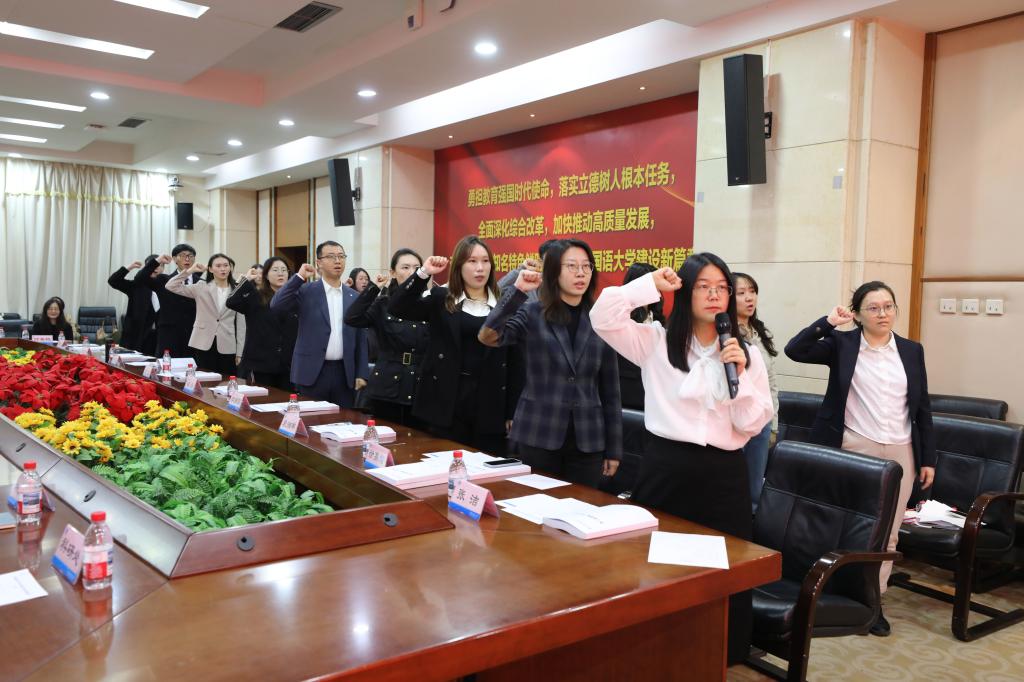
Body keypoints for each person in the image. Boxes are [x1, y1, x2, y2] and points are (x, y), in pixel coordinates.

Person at [590, 252, 773, 665]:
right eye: (704, 286)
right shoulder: (655, 341)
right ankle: (657, 649)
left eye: (722, 288)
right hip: (667, 468)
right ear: (686, 291)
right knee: (661, 563)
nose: (715, 295)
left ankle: (723, 654)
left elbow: (751, 423)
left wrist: (741, 376)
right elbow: (602, 317)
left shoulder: (745, 353)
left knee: (727, 566)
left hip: (724, 475)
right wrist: (648, 285)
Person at [785, 281, 935, 638]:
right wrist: (828, 322)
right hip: (853, 445)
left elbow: (923, 407)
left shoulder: (911, 350)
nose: (883, 314)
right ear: (857, 314)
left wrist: (927, 457)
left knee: (888, 533)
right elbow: (795, 350)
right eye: (873, 308)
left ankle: (872, 603)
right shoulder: (842, 344)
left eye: (888, 306)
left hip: (901, 449)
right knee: (843, 526)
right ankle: (829, 594)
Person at [479, 238, 622, 487]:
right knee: (535, 504)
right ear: (554, 271)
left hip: (588, 439)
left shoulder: (600, 318)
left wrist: (614, 448)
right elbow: (488, 336)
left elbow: (611, 389)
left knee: (582, 505)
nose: (581, 273)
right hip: (538, 433)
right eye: (571, 266)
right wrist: (518, 291)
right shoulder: (533, 312)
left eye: (586, 266)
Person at [388, 235, 523, 454]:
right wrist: (423, 273)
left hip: (490, 401)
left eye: (485, 261)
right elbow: (397, 307)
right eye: (472, 261)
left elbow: (516, 362)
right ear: (459, 266)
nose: (480, 268)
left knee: (486, 464)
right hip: (446, 399)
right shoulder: (441, 298)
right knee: (444, 462)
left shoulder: (504, 304)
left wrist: (512, 411)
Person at [270, 241, 369, 408]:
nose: (337, 261)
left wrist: (361, 372)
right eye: (331, 256)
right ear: (319, 263)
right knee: (311, 419)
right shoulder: (306, 291)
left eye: (341, 256)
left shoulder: (354, 296)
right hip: (312, 372)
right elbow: (276, 305)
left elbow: (360, 336)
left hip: (344, 373)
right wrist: (299, 277)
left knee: (342, 420)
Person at [344, 248, 430, 424]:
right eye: (405, 267)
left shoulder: (429, 303)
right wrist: (374, 288)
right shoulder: (383, 303)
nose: (412, 272)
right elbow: (352, 318)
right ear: (393, 272)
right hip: (387, 386)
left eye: (417, 268)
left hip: (420, 386)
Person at [733, 272, 779, 513]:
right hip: (734, 422)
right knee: (732, 482)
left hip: (761, 422)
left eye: (752, 292)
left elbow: (771, 382)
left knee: (754, 488)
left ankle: (750, 525)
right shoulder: (724, 334)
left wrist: (773, 424)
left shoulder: (760, 332)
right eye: (741, 293)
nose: (749, 298)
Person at [165, 253, 246, 376]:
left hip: (227, 342)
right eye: (218, 266)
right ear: (210, 269)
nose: (223, 269)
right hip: (203, 341)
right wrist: (190, 271)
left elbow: (241, 324)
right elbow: (170, 286)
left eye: (226, 265)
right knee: (204, 380)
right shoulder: (201, 286)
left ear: (230, 268)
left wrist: (240, 352)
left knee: (226, 379)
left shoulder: (237, 290)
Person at [226, 257, 298, 391]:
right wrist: (246, 280)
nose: (280, 273)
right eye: (275, 270)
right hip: (260, 364)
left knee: (286, 400)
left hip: (288, 364)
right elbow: (231, 302)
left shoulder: (295, 298)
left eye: (284, 270)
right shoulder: (256, 296)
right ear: (266, 275)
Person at [139, 243, 200, 357]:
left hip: (194, 334)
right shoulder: (163, 279)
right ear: (175, 259)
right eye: (183, 255)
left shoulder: (201, 282)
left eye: (190, 256)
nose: (187, 259)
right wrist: (157, 261)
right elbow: (141, 278)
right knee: (167, 365)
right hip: (169, 334)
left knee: (193, 365)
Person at [618, 263, 665, 410]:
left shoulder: (658, 318)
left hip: (655, 392)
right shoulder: (621, 318)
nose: (656, 291)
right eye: (651, 285)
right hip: (629, 392)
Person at [107, 255, 162, 355]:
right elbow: (113, 281)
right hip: (136, 336)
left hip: (158, 338)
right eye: (152, 265)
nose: (155, 268)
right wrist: (129, 267)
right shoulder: (136, 286)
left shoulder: (167, 286)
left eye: (159, 265)